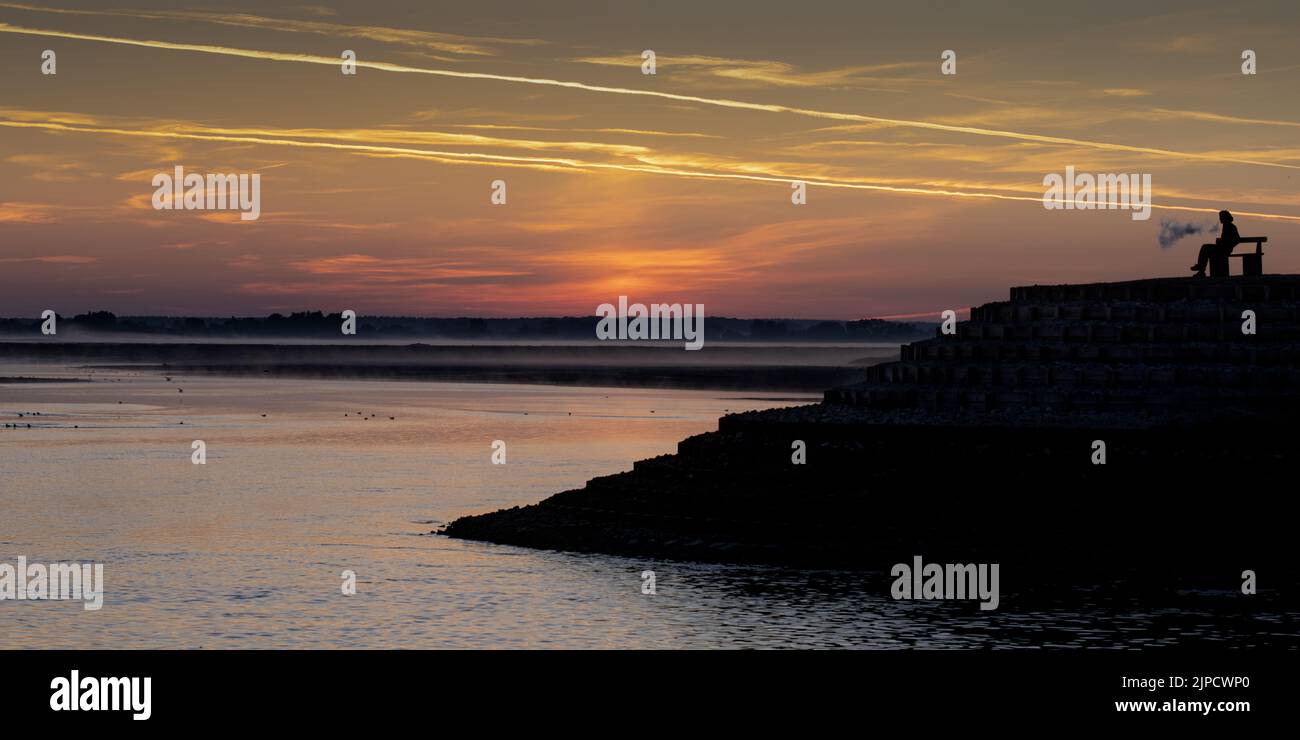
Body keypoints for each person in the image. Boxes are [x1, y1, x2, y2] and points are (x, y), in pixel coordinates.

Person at [1191, 210, 1241, 276]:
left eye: (1221, 217)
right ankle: (1201, 269)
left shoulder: (1229, 226)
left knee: (1205, 248)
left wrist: (1228, 245)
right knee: (1205, 248)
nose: (1220, 219)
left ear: (1225, 217)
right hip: (1223, 249)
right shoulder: (1228, 225)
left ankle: (1201, 269)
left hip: (1223, 250)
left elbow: (1237, 239)